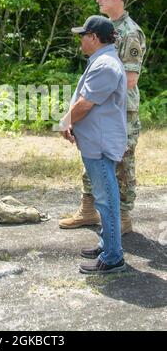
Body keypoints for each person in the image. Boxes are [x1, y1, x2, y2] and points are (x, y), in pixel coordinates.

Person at [59, 0, 146, 234]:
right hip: (98, 104)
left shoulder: (131, 32)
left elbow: (130, 80)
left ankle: (123, 217)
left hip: (121, 110)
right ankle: (88, 210)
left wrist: (92, 97)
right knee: (92, 155)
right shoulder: (103, 27)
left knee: (121, 161)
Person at [60, 15, 127, 273]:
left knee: (105, 199)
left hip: (99, 144)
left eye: (83, 35)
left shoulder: (106, 65)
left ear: (95, 38)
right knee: (103, 197)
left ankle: (112, 257)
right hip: (95, 141)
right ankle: (107, 244)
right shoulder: (102, 60)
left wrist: (65, 121)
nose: (80, 40)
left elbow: (86, 103)